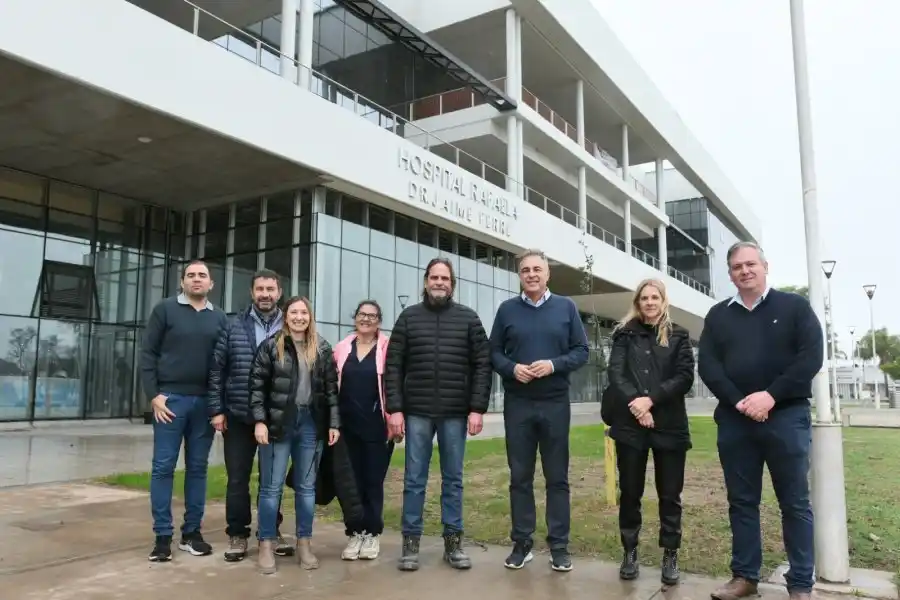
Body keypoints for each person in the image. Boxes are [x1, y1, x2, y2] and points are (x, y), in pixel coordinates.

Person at [698, 241, 823, 600]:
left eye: (751, 264)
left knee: (795, 503)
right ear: (730, 273)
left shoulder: (794, 307)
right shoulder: (718, 315)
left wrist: (771, 395)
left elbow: (810, 357)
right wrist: (740, 401)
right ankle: (744, 577)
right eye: (737, 266)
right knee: (742, 502)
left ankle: (800, 583)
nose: (745, 271)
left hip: (786, 416)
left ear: (765, 266)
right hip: (736, 422)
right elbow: (709, 366)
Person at [385, 257, 492, 572]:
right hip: (416, 412)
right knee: (414, 480)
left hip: (455, 413)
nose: (439, 282)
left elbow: (483, 366)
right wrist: (395, 409)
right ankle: (410, 544)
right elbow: (393, 366)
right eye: (434, 277)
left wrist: (477, 408)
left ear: (452, 283)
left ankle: (454, 544)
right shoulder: (408, 318)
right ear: (426, 281)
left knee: (453, 480)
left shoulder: (469, 319)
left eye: (445, 278)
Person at [489, 249, 589, 573]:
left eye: (537, 269)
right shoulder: (507, 310)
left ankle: (558, 545)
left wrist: (553, 365)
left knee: (556, 477)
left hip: (555, 403)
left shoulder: (566, 307)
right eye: (525, 270)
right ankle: (522, 543)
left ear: (547, 274)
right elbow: (493, 352)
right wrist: (510, 368)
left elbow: (582, 351)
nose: (531, 274)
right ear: (519, 275)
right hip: (517, 404)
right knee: (520, 477)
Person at [605, 278, 695, 585]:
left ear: (663, 300)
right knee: (630, 492)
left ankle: (670, 553)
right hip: (631, 426)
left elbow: (684, 377)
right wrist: (636, 405)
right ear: (637, 301)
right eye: (644, 297)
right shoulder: (623, 334)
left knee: (670, 495)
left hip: (669, 426)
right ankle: (629, 552)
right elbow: (616, 373)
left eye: (655, 297)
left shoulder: (679, 335)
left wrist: (650, 401)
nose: (650, 302)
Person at [141, 260, 227, 562]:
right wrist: (154, 396)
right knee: (163, 468)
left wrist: (219, 406)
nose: (196, 280)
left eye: (202, 275)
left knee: (198, 469)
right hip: (170, 403)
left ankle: (191, 533)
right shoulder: (165, 310)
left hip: (204, 404)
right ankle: (162, 537)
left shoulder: (219, 318)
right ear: (182, 282)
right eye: (190, 275)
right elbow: (148, 353)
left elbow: (223, 364)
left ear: (211, 284)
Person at [249, 296, 341, 575]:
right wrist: (259, 421)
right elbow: (256, 388)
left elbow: (331, 391)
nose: (299, 317)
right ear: (285, 316)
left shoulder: (322, 348)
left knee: (306, 489)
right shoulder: (271, 346)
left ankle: (304, 542)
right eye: (294, 312)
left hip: (310, 425)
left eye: (304, 312)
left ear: (310, 316)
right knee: (271, 488)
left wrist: (333, 423)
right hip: (278, 425)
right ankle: (266, 543)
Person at [208, 269, 293, 562]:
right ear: (252, 292)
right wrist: (217, 410)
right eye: (260, 289)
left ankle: (270, 530)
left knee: (272, 481)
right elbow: (217, 370)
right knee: (237, 479)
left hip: (276, 418)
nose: (265, 294)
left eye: (271, 289)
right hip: (239, 415)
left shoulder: (292, 325)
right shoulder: (233, 326)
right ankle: (238, 534)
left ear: (279, 292)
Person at [333, 300, 393, 561]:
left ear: (378, 321)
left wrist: (396, 420)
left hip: (377, 427)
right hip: (346, 428)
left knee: (372, 482)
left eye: (372, 316)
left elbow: (394, 386)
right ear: (354, 317)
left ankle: (372, 533)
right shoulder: (341, 348)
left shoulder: (387, 348)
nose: (366, 319)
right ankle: (354, 532)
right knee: (350, 484)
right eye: (361, 314)